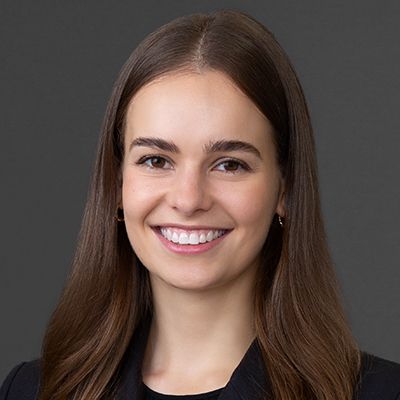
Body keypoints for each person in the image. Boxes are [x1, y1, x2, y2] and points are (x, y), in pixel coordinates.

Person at [1, 9, 399, 400]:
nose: (189, 199)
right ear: (117, 183)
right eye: (156, 161)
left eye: (229, 164)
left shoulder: (380, 392)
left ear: (285, 190)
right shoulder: (32, 391)